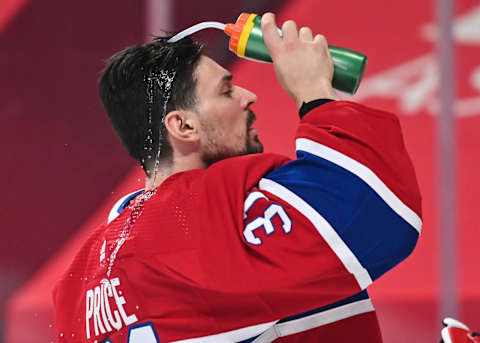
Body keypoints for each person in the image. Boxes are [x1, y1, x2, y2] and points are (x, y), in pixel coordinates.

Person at [52, 13, 422, 342]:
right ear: (183, 125)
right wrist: (314, 94)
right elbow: (375, 210)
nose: (249, 94)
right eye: (226, 90)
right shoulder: (203, 218)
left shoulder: (78, 282)